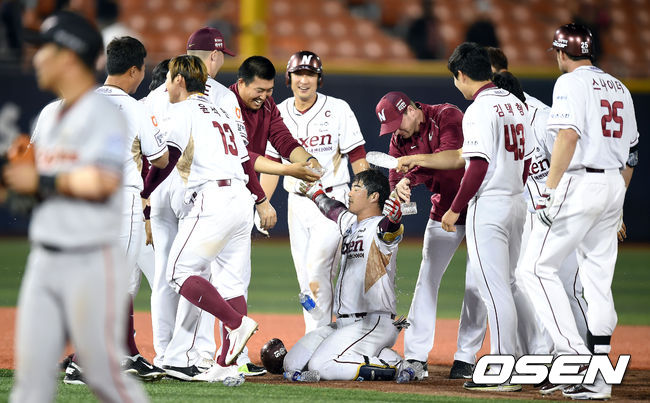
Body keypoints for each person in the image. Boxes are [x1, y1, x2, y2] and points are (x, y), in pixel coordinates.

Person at [4, 10, 148, 402]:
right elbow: (34, 185)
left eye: (44, 49)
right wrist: (14, 177)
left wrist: (40, 180)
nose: (35, 58)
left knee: (105, 378)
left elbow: (103, 182)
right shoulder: (51, 114)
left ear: (68, 57)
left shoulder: (106, 114)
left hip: (89, 262)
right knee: (31, 381)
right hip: (44, 259)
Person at [520, 23, 638, 400]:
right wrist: (617, 204)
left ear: (561, 52)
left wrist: (550, 190)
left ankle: (575, 359)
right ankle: (600, 378)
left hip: (579, 182)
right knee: (597, 281)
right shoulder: (620, 87)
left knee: (533, 269)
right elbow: (632, 154)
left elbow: (567, 136)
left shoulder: (569, 82)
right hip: (613, 184)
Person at [486, 46, 589, 364]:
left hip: (564, 212)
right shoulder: (502, 122)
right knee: (534, 284)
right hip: (534, 216)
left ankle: (587, 359)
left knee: (570, 288)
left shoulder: (542, 119)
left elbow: (576, 164)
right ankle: (554, 357)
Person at [160, 55, 259, 382]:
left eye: (169, 79)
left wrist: (146, 193)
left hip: (214, 198)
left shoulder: (182, 110)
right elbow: (246, 164)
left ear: (179, 80)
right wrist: (259, 198)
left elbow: (169, 158)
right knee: (231, 283)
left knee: (178, 272)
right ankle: (227, 365)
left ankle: (236, 323)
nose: (167, 85)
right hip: (241, 198)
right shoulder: (222, 111)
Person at [442, 42, 533, 392]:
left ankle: (503, 370)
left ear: (462, 74)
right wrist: (514, 190)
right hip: (516, 202)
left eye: (455, 78)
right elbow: (526, 161)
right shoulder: (515, 102)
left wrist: (455, 208)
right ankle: (524, 360)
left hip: (491, 205)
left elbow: (477, 165)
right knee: (507, 285)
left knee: (494, 291)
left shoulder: (479, 109)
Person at [376, 90, 483, 379]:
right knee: (427, 279)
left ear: (411, 110)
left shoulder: (447, 115)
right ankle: (415, 355)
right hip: (442, 208)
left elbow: (454, 158)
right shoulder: (398, 140)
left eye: (397, 123)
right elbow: (396, 177)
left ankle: (466, 357)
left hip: (478, 205)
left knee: (476, 283)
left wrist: (414, 166)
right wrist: (400, 188)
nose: (396, 131)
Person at [260, 50, 369, 333]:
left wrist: (365, 204)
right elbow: (271, 163)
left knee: (318, 269)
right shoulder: (277, 112)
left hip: (332, 201)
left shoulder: (338, 109)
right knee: (305, 278)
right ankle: (317, 334)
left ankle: (321, 337)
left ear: (319, 79)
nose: (304, 80)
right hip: (297, 203)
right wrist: (262, 203)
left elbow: (358, 157)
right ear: (289, 78)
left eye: (310, 74)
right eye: (299, 74)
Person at [283, 170, 413, 381]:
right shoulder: (351, 223)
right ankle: (382, 355)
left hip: (372, 322)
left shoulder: (380, 227)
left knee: (321, 366)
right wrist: (314, 192)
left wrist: (395, 217)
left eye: (356, 188)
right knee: (292, 363)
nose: (350, 193)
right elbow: (333, 209)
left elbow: (390, 230)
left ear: (374, 196)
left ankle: (398, 366)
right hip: (344, 324)